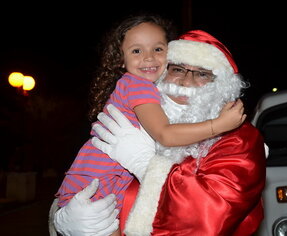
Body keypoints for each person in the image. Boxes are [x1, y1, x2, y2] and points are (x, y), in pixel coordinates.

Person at [51, 29, 266, 236]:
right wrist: (63, 221)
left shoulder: (239, 140)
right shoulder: (135, 120)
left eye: (202, 74)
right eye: (178, 69)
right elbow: (88, 177)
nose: (186, 82)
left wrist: (145, 163)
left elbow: (208, 217)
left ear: (222, 85)